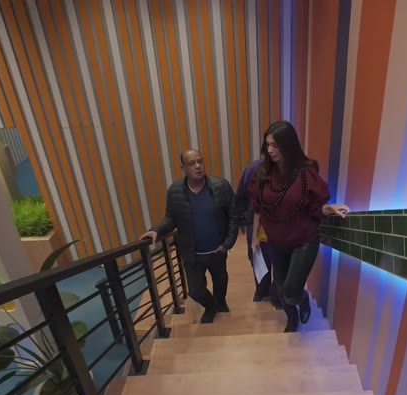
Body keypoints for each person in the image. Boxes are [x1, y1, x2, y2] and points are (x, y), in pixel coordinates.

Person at [250, 121, 349, 332]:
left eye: (275, 145)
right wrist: (254, 236)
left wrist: (328, 209)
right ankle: (292, 319)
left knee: (290, 289)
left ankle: (302, 299)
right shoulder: (264, 174)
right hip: (275, 241)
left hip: (303, 241)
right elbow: (258, 209)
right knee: (280, 288)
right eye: (267, 145)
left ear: (288, 145)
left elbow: (315, 208)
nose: (270, 150)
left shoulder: (306, 174)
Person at [140, 149, 239, 324]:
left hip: (217, 250)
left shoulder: (221, 186)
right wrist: (157, 229)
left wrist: (227, 244)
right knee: (195, 290)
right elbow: (171, 218)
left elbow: (233, 215)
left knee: (221, 281)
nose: (198, 166)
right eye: (192, 163)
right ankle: (211, 306)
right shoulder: (175, 191)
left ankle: (220, 302)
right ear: (183, 168)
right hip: (192, 254)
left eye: (200, 161)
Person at [235, 158, 281, 308]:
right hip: (257, 226)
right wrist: (244, 222)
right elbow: (240, 198)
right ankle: (262, 292)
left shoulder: (290, 168)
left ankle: (277, 296)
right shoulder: (253, 169)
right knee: (259, 261)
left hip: (282, 228)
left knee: (281, 264)